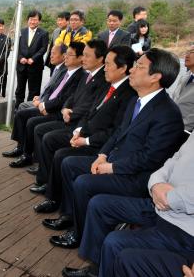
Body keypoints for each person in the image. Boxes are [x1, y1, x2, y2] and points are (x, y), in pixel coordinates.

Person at [44, 48, 185, 250]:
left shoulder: (167, 113)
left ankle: (81, 238)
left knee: (84, 183)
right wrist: (102, 155)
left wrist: (112, 167)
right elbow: (119, 133)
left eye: (139, 66)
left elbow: (150, 158)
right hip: (116, 162)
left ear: (155, 77)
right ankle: (73, 220)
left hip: (137, 177)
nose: (133, 70)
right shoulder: (137, 101)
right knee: (69, 164)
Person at [64, 131, 194, 277]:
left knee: (114, 242)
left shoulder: (167, 112)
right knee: (99, 205)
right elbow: (173, 160)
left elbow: (149, 157)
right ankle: (98, 267)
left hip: (180, 224)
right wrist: (156, 185)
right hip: (158, 202)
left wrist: (168, 197)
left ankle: (102, 269)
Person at [33, 45, 137, 213]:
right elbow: (91, 110)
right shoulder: (110, 85)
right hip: (84, 130)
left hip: (99, 145)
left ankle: (63, 209)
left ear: (123, 68)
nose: (106, 68)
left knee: (63, 156)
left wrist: (86, 139)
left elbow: (115, 131)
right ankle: (52, 193)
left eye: (109, 64)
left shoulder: (128, 94)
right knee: (50, 140)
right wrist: (79, 130)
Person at [28, 39, 109, 193]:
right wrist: (66, 108)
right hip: (70, 118)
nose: (83, 59)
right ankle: (44, 177)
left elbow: (91, 107)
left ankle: (47, 181)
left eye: (87, 56)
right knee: (41, 130)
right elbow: (72, 97)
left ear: (100, 59)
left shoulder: (102, 80)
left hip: (79, 124)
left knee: (48, 137)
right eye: (83, 55)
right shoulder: (87, 74)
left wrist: (71, 114)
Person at [2, 42, 85, 166]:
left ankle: (28, 155)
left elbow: (64, 99)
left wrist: (45, 106)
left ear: (80, 58)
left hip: (58, 111)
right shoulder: (67, 71)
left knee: (31, 122)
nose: (66, 57)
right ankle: (21, 148)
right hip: (50, 105)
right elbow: (53, 91)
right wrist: (43, 103)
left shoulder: (79, 75)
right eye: (66, 54)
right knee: (22, 114)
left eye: (69, 55)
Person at [15, 10, 49, 107]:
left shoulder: (43, 33)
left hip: (35, 66)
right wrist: (20, 58)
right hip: (21, 65)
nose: (33, 22)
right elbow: (16, 46)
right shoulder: (21, 31)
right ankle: (18, 108)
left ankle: (29, 109)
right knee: (20, 89)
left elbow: (43, 48)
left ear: (39, 21)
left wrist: (33, 58)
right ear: (27, 20)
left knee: (34, 90)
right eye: (31, 19)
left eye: (35, 20)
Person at [171, 44, 194, 132]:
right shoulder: (185, 76)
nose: (187, 55)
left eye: (191, 52)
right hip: (170, 125)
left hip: (185, 131)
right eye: (187, 52)